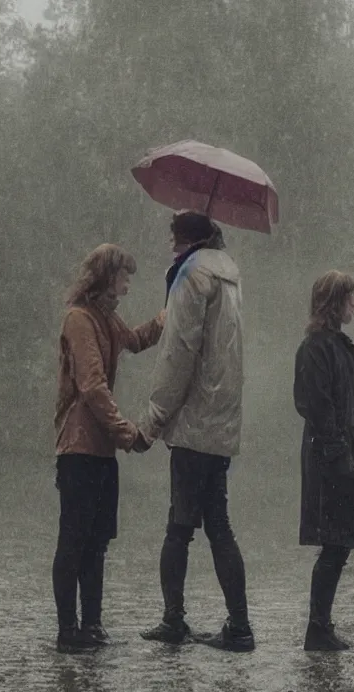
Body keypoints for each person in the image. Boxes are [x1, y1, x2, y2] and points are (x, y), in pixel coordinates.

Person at [136, 211, 254, 652]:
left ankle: (175, 620)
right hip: (221, 420)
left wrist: (152, 422)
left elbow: (179, 356)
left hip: (192, 422)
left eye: (174, 239)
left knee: (179, 527)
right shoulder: (228, 276)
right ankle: (239, 624)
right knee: (218, 523)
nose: (171, 247)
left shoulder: (192, 276)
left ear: (187, 240)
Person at [52, 243, 164, 652]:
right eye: (124, 275)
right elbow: (92, 386)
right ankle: (69, 629)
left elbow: (135, 340)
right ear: (107, 277)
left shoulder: (106, 318)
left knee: (97, 540)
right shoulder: (79, 320)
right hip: (80, 446)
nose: (128, 282)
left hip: (100, 451)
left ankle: (92, 625)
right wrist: (127, 433)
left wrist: (167, 317)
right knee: (74, 539)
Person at [293, 270, 354, 651]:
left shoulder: (339, 346)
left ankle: (321, 625)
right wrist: (338, 452)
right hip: (332, 463)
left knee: (338, 544)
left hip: (346, 459)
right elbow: (316, 405)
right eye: (349, 298)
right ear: (334, 303)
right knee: (334, 544)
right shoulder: (316, 348)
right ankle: (318, 627)